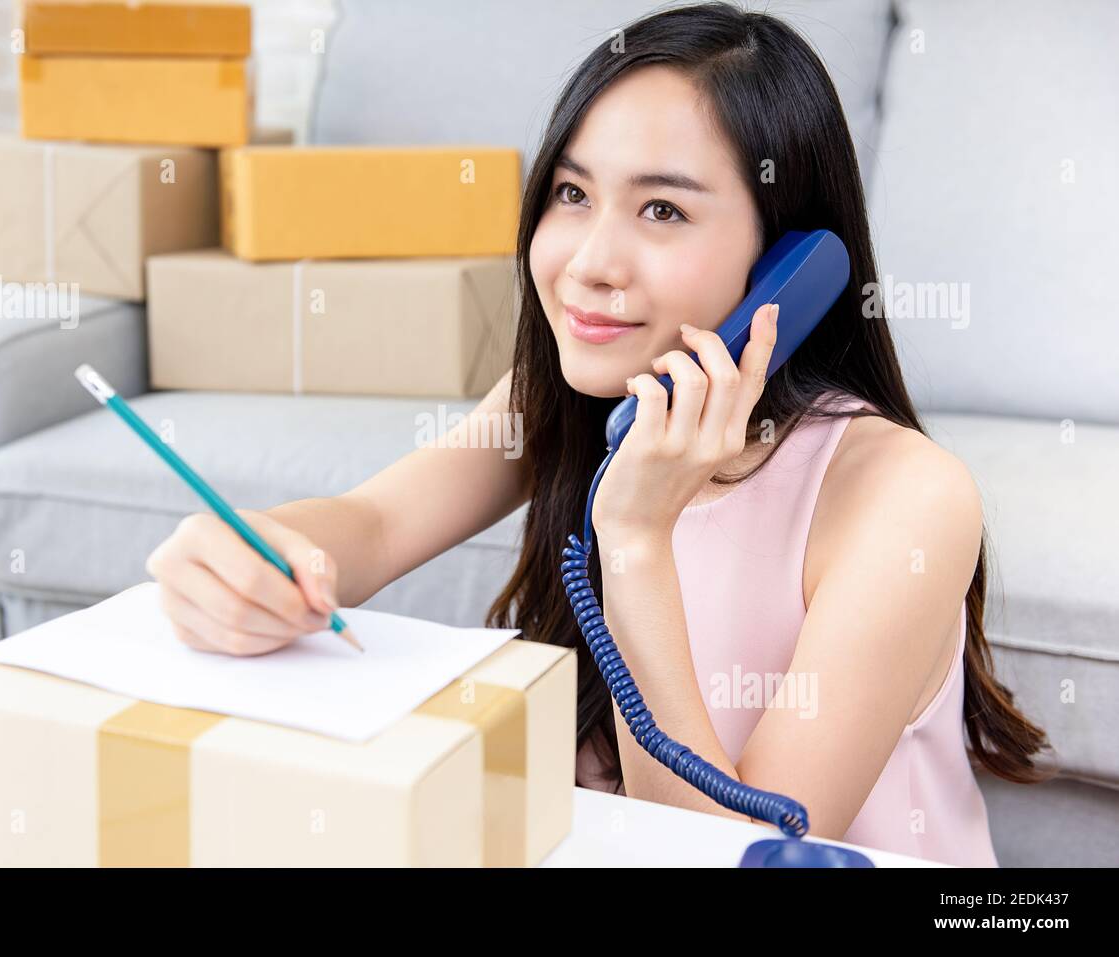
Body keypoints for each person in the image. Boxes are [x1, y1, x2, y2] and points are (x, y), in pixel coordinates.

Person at [145, 3, 1052, 866]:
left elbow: (723, 856)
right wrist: (257, 552)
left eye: (663, 210)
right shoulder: (579, 394)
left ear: (790, 263)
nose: (587, 264)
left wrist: (636, 540)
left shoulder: (904, 497)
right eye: (572, 193)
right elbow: (374, 525)